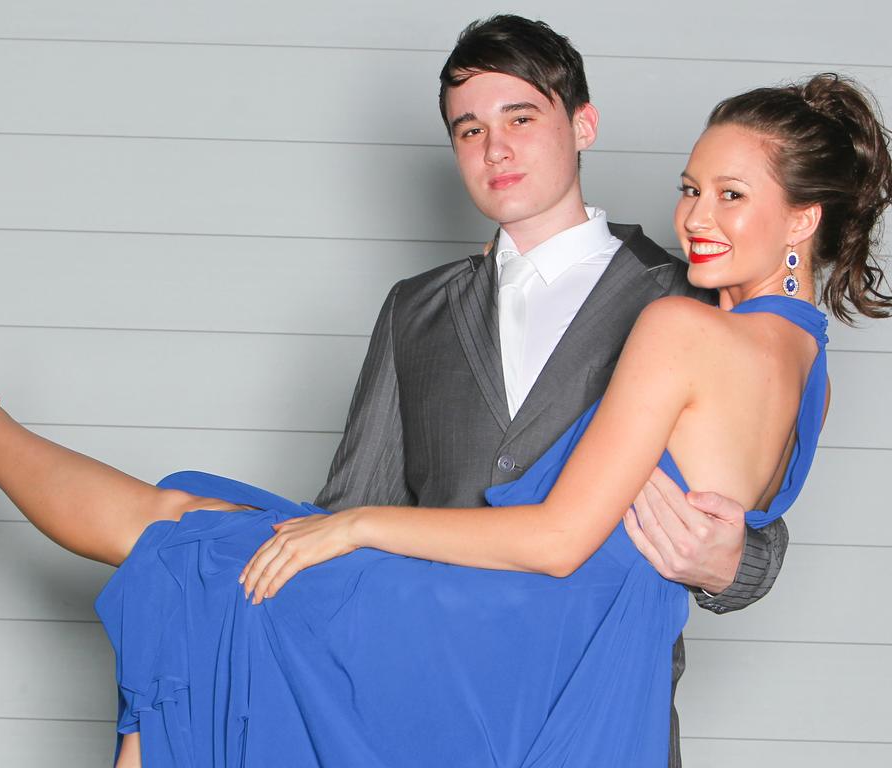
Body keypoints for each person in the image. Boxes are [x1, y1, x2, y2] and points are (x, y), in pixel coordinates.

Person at [0, 68, 892, 766]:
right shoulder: (808, 370)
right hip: (574, 656)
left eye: (729, 194)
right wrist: (340, 528)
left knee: (186, 552)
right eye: (687, 189)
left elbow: (558, 540)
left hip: (514, 647)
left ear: (802, 216)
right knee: (206, 527)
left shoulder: (675, 320)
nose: (694, 218)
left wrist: (357, 530)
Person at [314, 15, 785, 766]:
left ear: (583, 124)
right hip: (425, 709)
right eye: (469, 131)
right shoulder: (414, 310)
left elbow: (757, 502)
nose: (495, 148)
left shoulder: (690, 301)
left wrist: (734, 562)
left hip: (602, 710)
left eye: (521, 117)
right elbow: (347, 514)